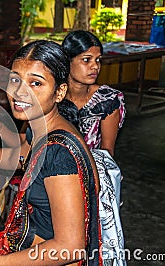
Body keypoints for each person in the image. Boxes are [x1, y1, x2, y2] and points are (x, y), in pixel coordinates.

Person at [0, 40, 102, 265]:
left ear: (60, 92)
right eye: (15, 80)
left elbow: (70, 248)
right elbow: (22, 158)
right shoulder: (41, 129)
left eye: (36, 83)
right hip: (32, 242)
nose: (20, 92)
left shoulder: (60, 152)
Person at [60, 30, 126, 265]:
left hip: (93, 176)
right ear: (67, 61)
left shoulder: (107, 100)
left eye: (98, 60)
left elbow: (106, 152)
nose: (94, 66)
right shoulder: (52, 95)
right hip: (57, 174)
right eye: (86, 60)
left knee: (89, 243)